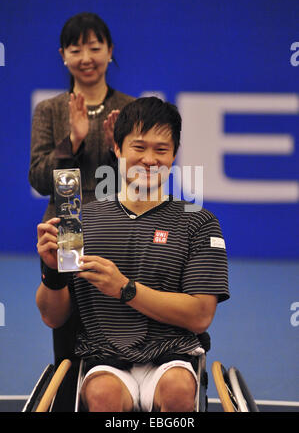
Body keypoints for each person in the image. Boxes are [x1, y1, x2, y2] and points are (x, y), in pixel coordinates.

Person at [36, 97, 229, 412]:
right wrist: (52, 274)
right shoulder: (80, 221)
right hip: (104, 360)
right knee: (102, 394)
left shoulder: (199, 222)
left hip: (174, 356)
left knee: (178, 388)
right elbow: (52, 316)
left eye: (161, 150)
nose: (150, 159)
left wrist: (125, 289)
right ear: (117, 148)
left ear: (175, 155)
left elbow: (200, 316)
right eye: (138, 148)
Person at [29, 12, 135, 222]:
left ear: (109, 51)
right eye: (76, 51)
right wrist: (72, 143)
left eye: (95, 49)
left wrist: (115, 150)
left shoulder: (131, 108)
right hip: (64, 228)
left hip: (118, 226)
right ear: (63, 56)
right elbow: (39, 182)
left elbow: (142, 180)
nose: (86, 59)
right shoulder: (49, 109)